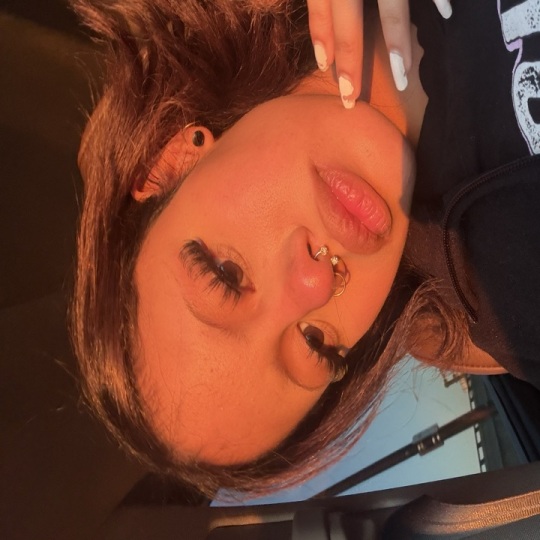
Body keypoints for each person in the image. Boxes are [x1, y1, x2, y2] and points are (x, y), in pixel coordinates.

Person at [70, 0, 539, 498]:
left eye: (226, 274)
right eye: (316, 343)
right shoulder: (512, 292)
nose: (315, 283)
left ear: (174, 159)